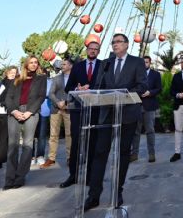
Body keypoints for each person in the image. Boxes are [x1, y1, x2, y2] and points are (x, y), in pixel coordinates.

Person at [84, 33, 148, 211]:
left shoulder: (137, 62)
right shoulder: (106, 63)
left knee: (122, 154)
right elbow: (98, 86)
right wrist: (90, 91)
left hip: (127, 114)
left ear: (127, 45)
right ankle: (93, 195)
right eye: (113, 43)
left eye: (118, 42)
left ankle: (117, 191)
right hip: (107, 114)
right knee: (99, 153)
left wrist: (122, 94)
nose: (115, 45)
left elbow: (142, 86)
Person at [60, 41, 101, 188]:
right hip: (78, 109)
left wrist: (91, 88)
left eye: (96, 49)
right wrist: (77, 88)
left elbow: (107, 85)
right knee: (76, 142)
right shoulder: (77, 66)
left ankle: (90, 176)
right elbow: (68, 87)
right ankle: (73, 175)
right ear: (86, 50)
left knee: (93, 143)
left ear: (99, 51)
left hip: (96, 109)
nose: (93, 51)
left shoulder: (103, 66)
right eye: (91, 49)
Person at [3, 56, 47, 190]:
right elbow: (8, 97)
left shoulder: (41, 78)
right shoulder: (17, 78)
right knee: (12, 145)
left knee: (27, 145)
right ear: (26, 65)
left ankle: (20, 177)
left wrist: (29, 112)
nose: (33, 65)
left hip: (31, 113)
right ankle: (9, 178)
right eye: (31, 62)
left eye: (36, 63)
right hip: (14, 112)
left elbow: (41, 97)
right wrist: (14, 111)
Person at [41, 56, 73, 169]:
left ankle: (70, 158)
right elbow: (51, 93)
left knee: (70, 134)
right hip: (55, 109)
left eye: (64, 64)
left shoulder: (75, 79)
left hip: (69, 109)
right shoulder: (56, 78)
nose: (62, 66)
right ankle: (51, 159)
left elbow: (76, 93)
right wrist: (58, 103)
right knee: (53, 135)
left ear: (70, 66)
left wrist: (66, 103)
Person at [131, 55, 162, 163]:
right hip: (137, 105)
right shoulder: (135, 74)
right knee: (136, 131)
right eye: (143, 62)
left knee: (150, 130)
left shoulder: (156, 74)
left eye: (146, 62)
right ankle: (134, 154)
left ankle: (151, 154)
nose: (144, 64)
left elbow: (159, 88)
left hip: (150, 105)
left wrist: (150, 92)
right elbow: (131, 87)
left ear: (150, 63)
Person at [33, 69, 52, 166]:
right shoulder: (33, 81)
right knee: (31, 135)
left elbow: (49, 93)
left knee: (42, 135)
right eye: (39, 73)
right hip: (32, 111)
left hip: (44, 111)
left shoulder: (50, 82)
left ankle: (40, 155)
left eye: (43, 73)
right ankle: (31, 156)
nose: (41, 75)